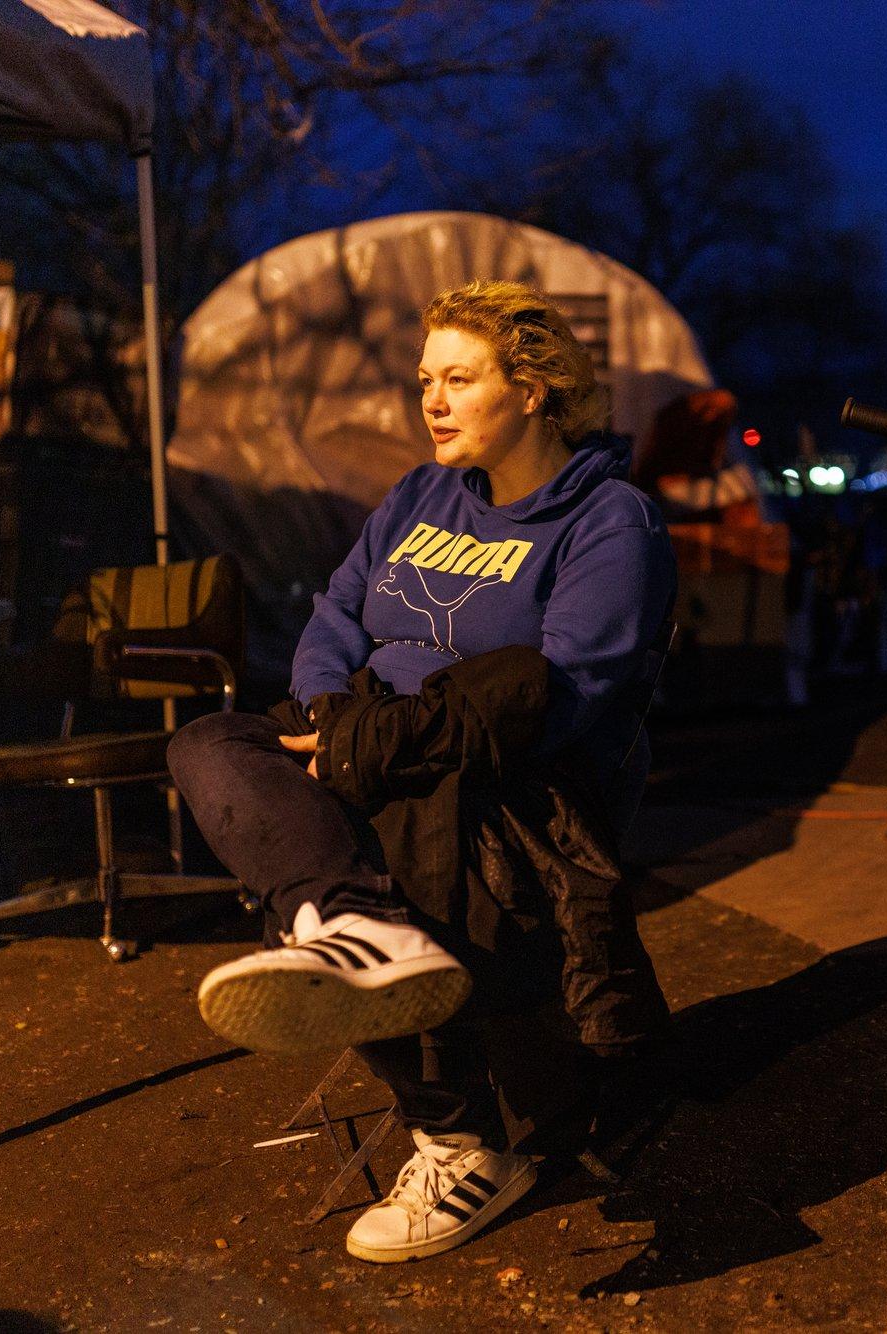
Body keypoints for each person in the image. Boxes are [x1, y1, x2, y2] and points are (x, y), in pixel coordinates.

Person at [167, 278, 676, 1264]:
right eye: (424, 380)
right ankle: (348, 922)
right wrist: (330, 715)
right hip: (368, 732)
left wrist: (378, 745)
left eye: (458, 377)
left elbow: (564, 696)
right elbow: (336, 613)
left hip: (511, 781)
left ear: (529, 389)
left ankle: (461, 1142)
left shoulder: (610, 521)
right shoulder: (421, 492)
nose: (431, 401)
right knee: (209, 745)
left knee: (386, 813)